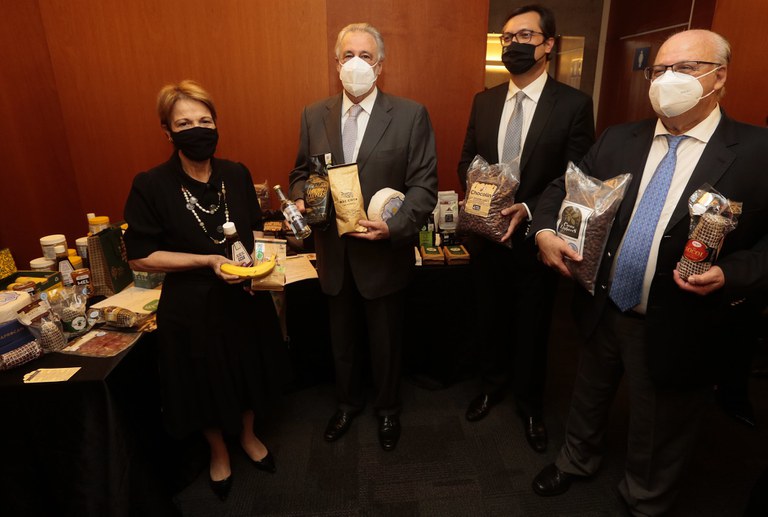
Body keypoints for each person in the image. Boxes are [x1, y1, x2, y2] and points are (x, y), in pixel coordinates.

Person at [529, 30, 768, 515]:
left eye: (685, 68)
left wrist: (731, 274)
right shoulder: (620, 137)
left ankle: (646, 498)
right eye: (659, 70)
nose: (667, 79)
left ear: (719, 76)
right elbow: (562, 188)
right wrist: (545, 231)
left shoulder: (757, 151)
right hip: (602, 302)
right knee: (588, 392)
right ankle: (576, 460)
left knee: (662, 420)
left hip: (680, 316)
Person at [123, 80, 287, 501]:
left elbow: (253, 231)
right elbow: (140, 256)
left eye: (205, 120)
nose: (197, 129)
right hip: (190, 305)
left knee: (248, 368)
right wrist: (208, 261)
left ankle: (247, 435)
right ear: (167, 131)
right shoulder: (151, 184)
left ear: (216, 124)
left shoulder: (236, 173)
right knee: (202, 380)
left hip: (243, 296)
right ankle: (218, 451)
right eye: (184, 123)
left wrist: (261, 265)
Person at [288, 23, 438, 452]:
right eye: (348, 55)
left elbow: (424, 186)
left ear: (380, 66)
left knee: (386, 341)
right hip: (333, 253)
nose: (356, 63)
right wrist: (302, 198)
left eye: (366, 56)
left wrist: (394, 226)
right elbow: (300, 173)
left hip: (383, 254)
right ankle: (347, 403)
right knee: (341, 341)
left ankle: (388, 408)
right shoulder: (313, 114)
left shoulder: (410, 115)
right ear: (336, 64)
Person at [457, 4, 594, 452]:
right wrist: (480, 194)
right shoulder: (484, 100)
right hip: (486, 235)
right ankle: (491, 386)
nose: (514, 44)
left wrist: (530, 209)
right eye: (508, 37)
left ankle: (531, 405)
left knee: (533, 327)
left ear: (548, 44)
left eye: (525, 36)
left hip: (537, 239)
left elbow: (576, 175)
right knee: (488, 317)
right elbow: (467, 159)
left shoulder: (573, 105)